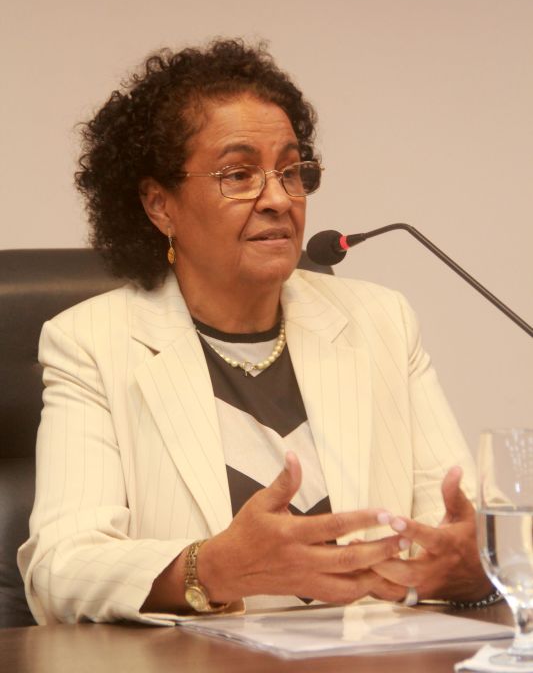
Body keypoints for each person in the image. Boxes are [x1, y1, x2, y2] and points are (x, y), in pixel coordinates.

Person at [18, 39, 494, 625]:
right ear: (159, 204)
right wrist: (213, 568)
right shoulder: (91, 344)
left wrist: (475, 570)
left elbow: (459, 534)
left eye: (291, 172)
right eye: (239, 175)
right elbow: (60, 567)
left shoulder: (381, 322)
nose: (278, 199)